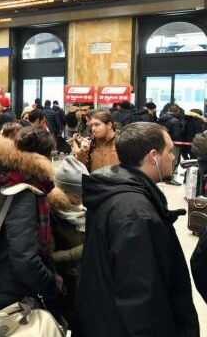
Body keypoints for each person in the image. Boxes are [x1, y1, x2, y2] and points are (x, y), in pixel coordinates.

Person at [76, 122, 199, 336]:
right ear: (153, 156)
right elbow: (141, 298)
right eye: (169, 151)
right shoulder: (135, 214)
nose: (172, 157)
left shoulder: (117, 193)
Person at [0, 127, 62, 311]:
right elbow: (24, 258)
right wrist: (51, 285)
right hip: (13, 291)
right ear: (43, 157)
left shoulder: (2, 178)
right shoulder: (23, 193)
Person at [48, 156, 88, 327]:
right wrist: (85, 249)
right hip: (64, 289)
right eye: (77, 194)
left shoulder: (85, 209)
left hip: (85, 283)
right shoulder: (51, 213)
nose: (81, 198)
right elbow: (49, 257)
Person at [157, 105, 183, 184]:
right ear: (177, 111)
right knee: (172, 160)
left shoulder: (161, 118)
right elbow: (176, 134)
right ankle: (169, 178)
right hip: (173, 143)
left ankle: (162, 176)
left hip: (161, 142)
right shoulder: (175, 121)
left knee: (162, 158)